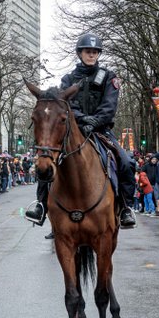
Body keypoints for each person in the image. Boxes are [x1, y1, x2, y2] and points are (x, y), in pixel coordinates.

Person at [24, 33, 137, 229]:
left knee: (126, 162)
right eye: (87, 51)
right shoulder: (68, 79)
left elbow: (110, 105)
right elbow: (63, 105)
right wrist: (82, 119)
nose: (91, 55)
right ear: (80, 53)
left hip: (101, 130)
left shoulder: (109, 77)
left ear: (98, 54)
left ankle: (126, 207)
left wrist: (95, 121)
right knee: (49, 158)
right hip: (75, 128)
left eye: (94, 52)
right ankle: (41, 205)